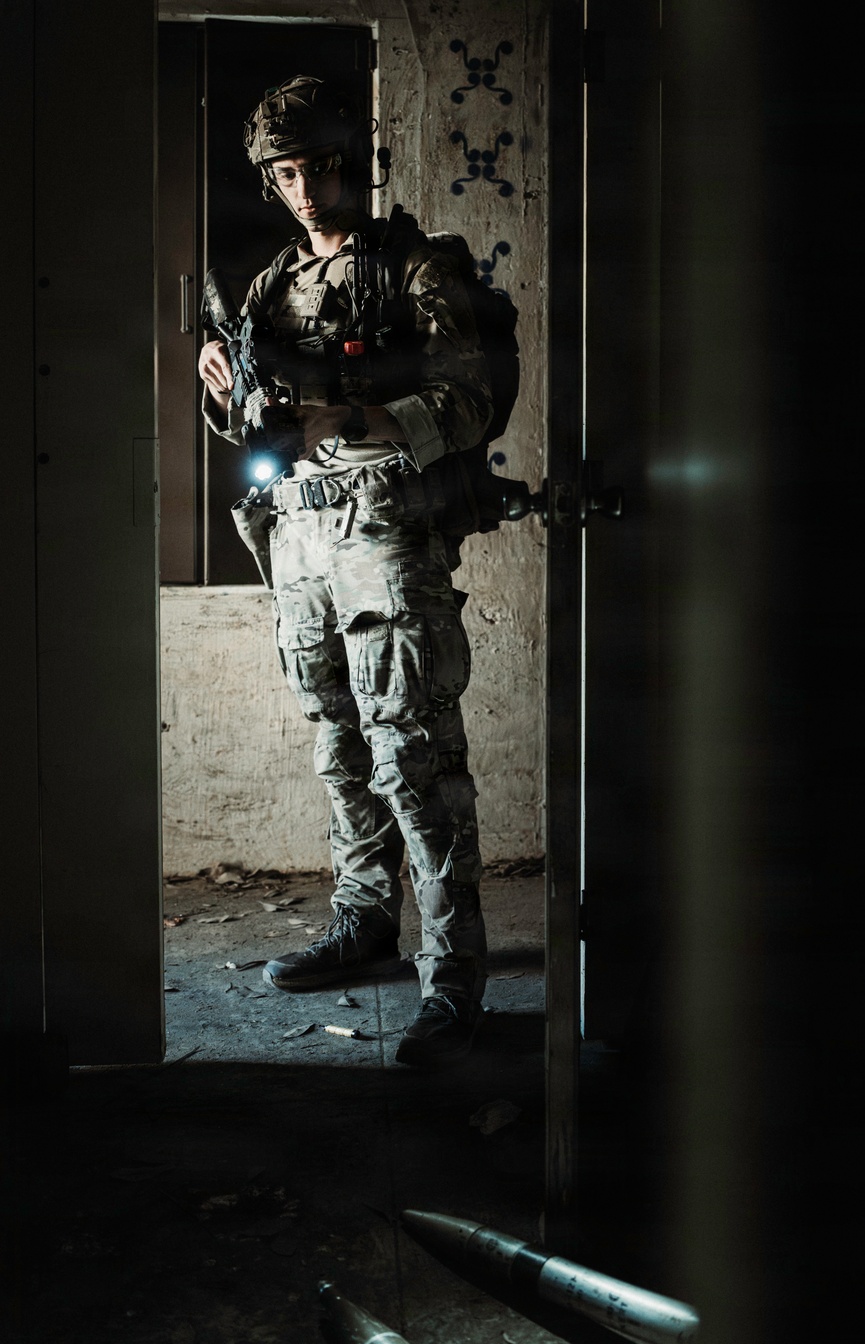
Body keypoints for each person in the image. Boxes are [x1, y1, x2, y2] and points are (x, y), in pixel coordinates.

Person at [198, 75, 495, 1066]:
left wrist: (355, 420)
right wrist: (223, 392)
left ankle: (452, 971)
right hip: (298, 538)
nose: (304, 190)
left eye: (319, 168)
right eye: (285, 173)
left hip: (386, 537)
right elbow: (257, 426)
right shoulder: (270, 287)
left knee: (412, 753)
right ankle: (365, 918)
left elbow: (472, 402)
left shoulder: (416, 269)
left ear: (352, 165)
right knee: (337, 743)